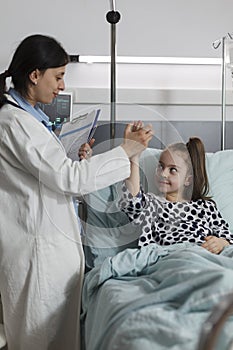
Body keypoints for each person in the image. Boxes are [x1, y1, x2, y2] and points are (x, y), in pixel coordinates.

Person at [0, 34, 153, 350]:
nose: (62, 87)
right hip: (37, 255)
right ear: (34, 75)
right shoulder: (14, 122)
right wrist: (125, 151)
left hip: (50, 251)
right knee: (37, 341)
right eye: (58, 76)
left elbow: (50, 173)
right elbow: (66, 178)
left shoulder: (31, 120)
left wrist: (73, 155)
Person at [119, 121, 233, 255]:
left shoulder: (205, 207)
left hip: (206, 257)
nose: (163, 173)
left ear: (188, 179)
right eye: (160, 166)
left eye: (172, 170)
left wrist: (220, 243)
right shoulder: (152, 205)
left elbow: (228, 238)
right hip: (173, 258)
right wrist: (134, 157)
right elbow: (132, 201)